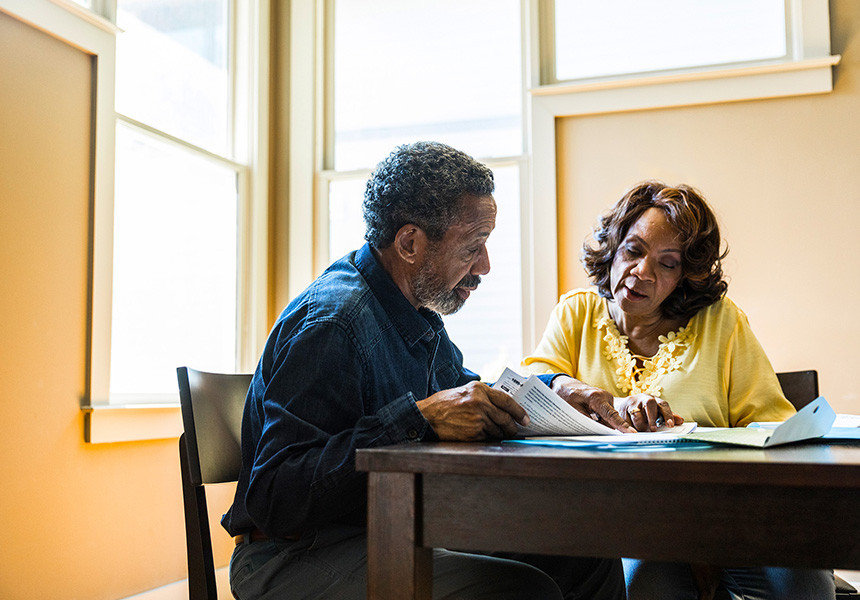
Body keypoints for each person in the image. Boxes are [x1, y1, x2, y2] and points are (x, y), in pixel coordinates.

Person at [222, 141, 626, 600]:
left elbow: (466, 394)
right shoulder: (334, 323)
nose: (485, 266)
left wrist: (557, 390)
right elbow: (276, 499)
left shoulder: (413, 312)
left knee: (586, 554)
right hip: (289, 556)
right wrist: (418, 420)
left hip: (391, 530)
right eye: (473, 247)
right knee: (519, 590)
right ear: (410, 243)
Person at [521, 180, 835, 600]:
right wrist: (581, 390)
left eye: (667, 264)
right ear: (613, 247)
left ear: (685, 276)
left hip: (728, 518)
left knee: (806, 586)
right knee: (650, 587)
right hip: (624, 525)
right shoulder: (576, 312)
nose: (642, 273)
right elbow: (532, 390)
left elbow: (772, 424)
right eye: (633, 250)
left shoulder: (721, 322)